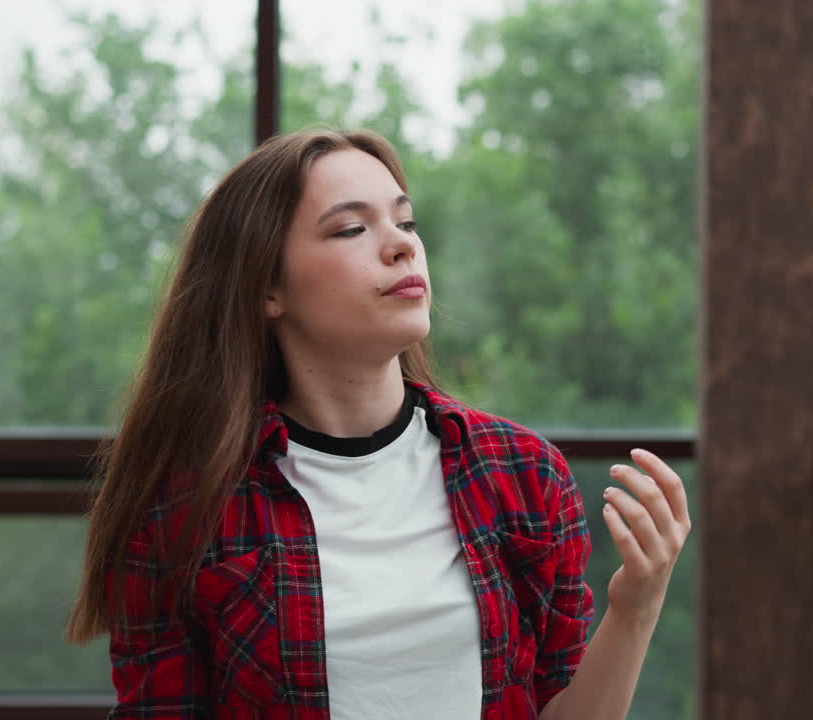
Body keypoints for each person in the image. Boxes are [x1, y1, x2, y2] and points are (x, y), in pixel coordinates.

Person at [66, 128, 691, 719]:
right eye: (351, 228)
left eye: (406, 221)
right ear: (267, 289)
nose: (401, 244)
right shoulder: (187, 510)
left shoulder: (521, 474)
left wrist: (637, 603)